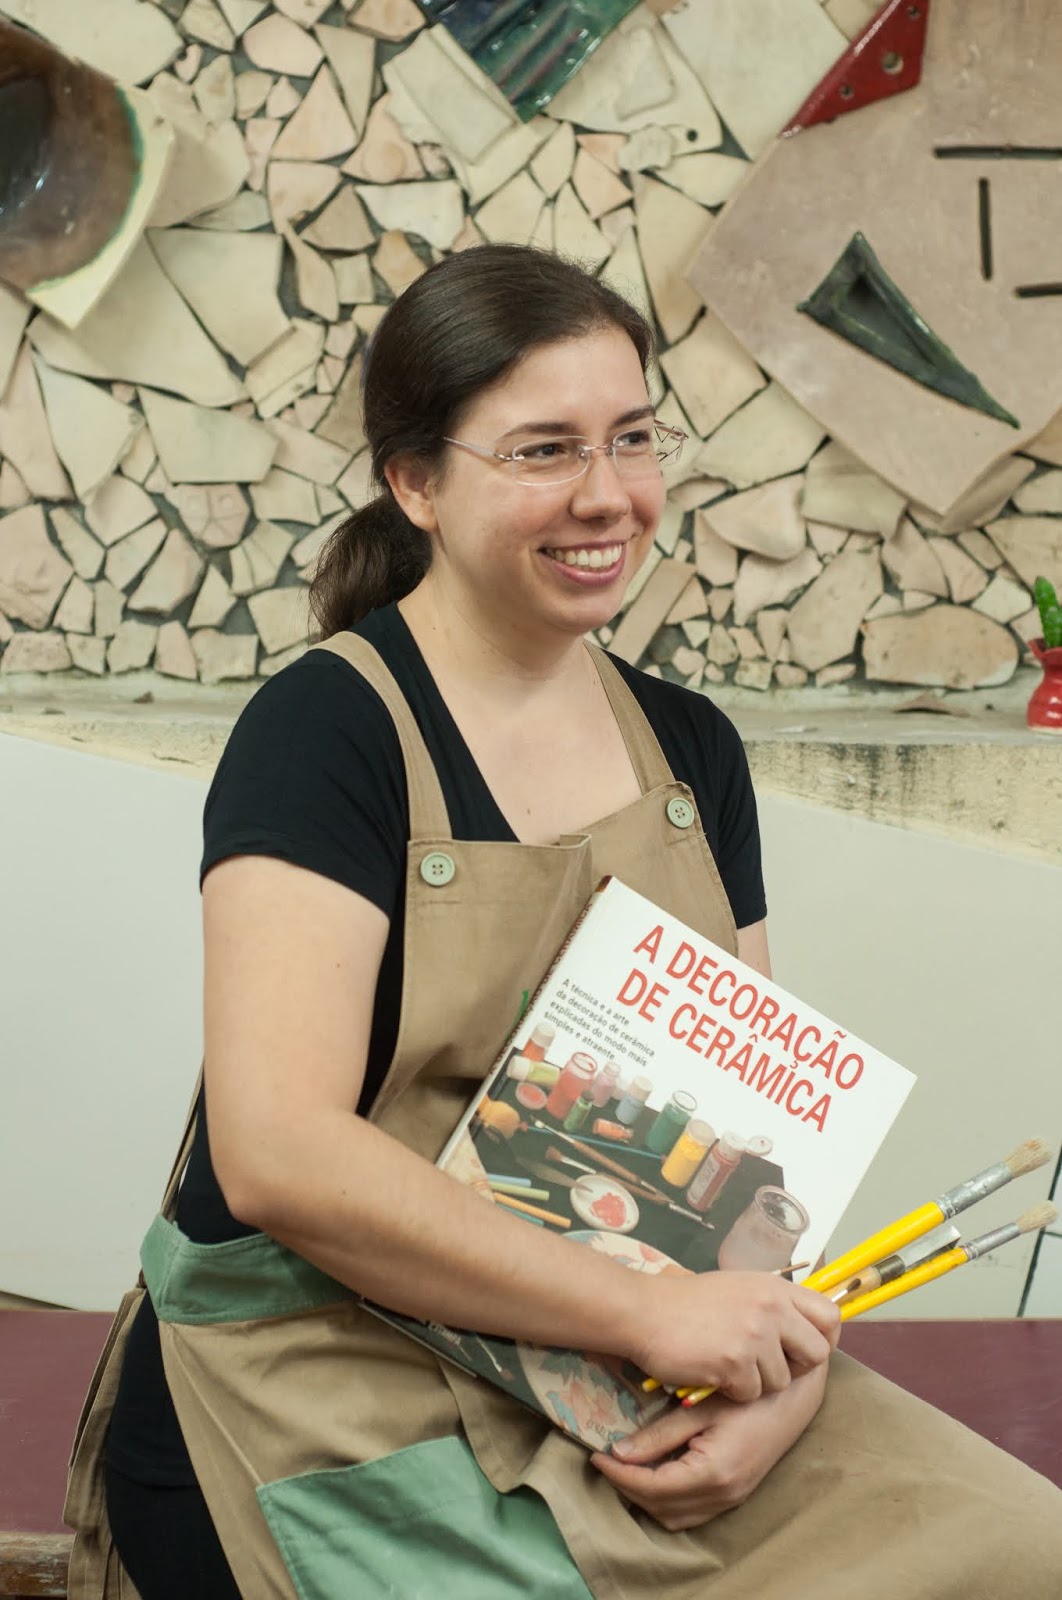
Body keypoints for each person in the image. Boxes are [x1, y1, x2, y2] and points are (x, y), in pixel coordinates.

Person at [68, 244, 1062, 1600]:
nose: (607, 495)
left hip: (631, 1373)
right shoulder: (326, 731)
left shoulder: (689, 750)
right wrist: (646, 1312)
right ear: (414, 483)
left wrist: (772, 1391)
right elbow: (278, 1157)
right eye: (543, 450)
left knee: (1022, 1548)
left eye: (633, 438)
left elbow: (750, 1156)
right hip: (334, 1377)